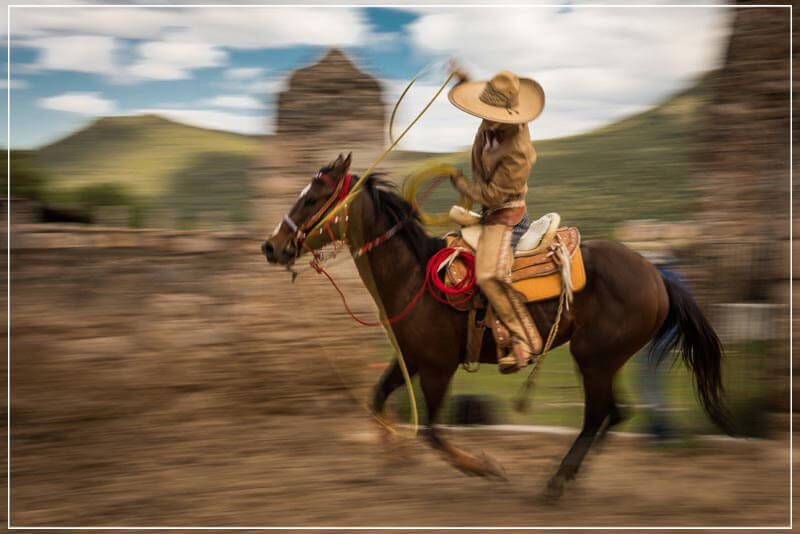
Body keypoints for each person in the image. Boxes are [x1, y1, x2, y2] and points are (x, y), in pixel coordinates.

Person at [447, 68, 546, 373]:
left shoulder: (518, 153)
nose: (485, 117)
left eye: (491, 113)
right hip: (491, 210)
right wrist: (463, 81)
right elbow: (484, 101)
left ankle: (523, 338)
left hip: (505, 214)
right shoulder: (494, 117)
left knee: (489, 275)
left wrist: (461, 185)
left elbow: (491, 196)